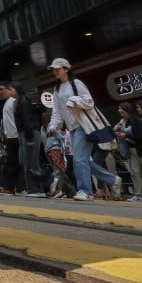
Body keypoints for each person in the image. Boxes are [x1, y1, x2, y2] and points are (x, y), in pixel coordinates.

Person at [46, 58, 122, 202]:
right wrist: (52, 126)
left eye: (58, 68)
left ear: (66, 69)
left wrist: (73, 100)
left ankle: (85, 191)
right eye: (53, 69)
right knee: (83, 160)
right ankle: (112, 180)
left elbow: (89, 101)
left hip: (83, 125)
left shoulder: (76, 83)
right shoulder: (57, 89)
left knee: (79, 160)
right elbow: (57, 111)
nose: (55, 71)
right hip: (72, 128)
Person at [10, 81, 47, 197]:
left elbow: (28, 121)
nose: (10, 91)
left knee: (31, 162)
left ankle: (37, 189)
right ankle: (35, 187)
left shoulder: (24, 102)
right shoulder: (17, 102)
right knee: (23, 160)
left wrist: (29, 138)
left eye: (11, 89)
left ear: (17, 89)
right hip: (24, 134)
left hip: (29, 134)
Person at [0, 80, 21, 195]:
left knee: (13, 163)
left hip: (16, 137)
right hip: (12, 137)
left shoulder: (14, 101)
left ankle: (7, 187)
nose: (0, 92)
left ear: (9, 89)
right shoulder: (8, 102)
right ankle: (13, 187)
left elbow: (18, 120)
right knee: (16, 163)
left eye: (2, 89)